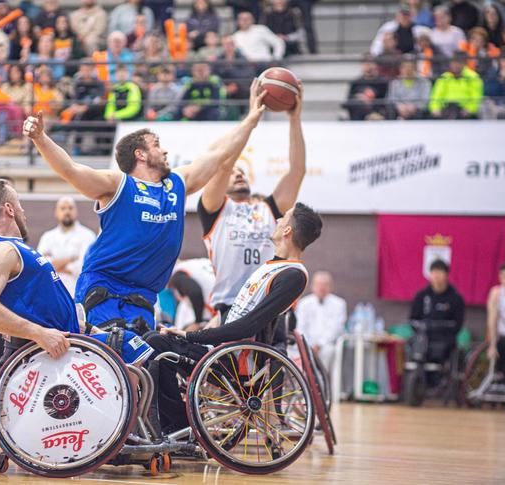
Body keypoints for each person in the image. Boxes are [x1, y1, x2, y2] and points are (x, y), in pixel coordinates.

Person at [22, 79, 268, 334]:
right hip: (105, 286)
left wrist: (251, 119)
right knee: (114, 349)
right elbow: (71, 170)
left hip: (144, 294)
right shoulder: (119, 184)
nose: (165, 151)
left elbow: (219, 153)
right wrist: (40, 139)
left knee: (146, 355)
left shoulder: (176, 184)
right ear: (140, 154)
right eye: (157, 145)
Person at [146, 202, 323, 432]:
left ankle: (179, 425)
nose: (278, 221)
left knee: (157, 344)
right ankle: (166, 423)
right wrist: (206, 325)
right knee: (151, 337)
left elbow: (248, 325)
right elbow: (237, 314)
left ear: (287, 230)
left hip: (234, 361)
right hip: (222, 349)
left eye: (283, 218)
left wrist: (191, 335)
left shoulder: (293, 275)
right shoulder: (272, 266)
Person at [0, 179, 153, 368]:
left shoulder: (16, 249)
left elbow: (45, 309)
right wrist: (38, 333)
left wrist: (89, 329)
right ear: (9, 209)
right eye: (19, 203)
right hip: (46, 355)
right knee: (135, 347)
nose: (23, 210)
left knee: (136, 344)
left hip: (72, 337)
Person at [198, 81, 305, 321]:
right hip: (230, 306)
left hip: (269, 306)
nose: (238, 174)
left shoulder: (268, 208)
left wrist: (294, 119)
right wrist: (251, 118)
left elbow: (297, 171)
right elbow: (224, 163)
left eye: (242, 172)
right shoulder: (215, 208)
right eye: (233, 172)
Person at [36, 197, 97, 297]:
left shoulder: (88, 236)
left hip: (78, 293)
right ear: (56, 212)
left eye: (70, 208)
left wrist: (54, 265)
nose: (67, 212)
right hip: (52, 294)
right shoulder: (47, 237)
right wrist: (70, 259)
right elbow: (41, 266)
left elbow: (84, 266)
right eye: (63, 208)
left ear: (76, 211)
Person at [408, 259, 466, 362]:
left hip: (445, 338)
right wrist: (425, 328)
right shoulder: (421, 296)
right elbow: (413, 320)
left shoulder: (455, 298)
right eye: (434, 272)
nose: (436, 276)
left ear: (446, 275)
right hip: (424, 337)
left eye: (439, 272)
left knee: (441, 348)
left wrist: (438, 328)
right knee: (415, 345)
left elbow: (457, 324)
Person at [295, 271, 347, 371]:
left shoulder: (339, 304)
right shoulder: (304, 303)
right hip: (307, 343)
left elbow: (336, 328)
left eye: (325, 285)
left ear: (330, 287)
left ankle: (320, 379)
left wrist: (319, 344)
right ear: (312, 286)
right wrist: (309, 344)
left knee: (328, 352)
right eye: (319, 284)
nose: (321, 288)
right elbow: (300, 326)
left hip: (327, 345)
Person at [429, 50, 483, 119]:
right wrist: (435, 109)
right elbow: (436, 96)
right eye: (453, 62)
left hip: (464, 111)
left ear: (464, 63)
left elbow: (476, 98)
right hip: (446, 110)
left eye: (459, 62)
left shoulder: (473, 77)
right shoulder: (444, 77)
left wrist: (469, 110)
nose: (455, 65)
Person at [343, 55, 390, 120]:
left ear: (375, 65)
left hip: (378, 113)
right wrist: (358, 97)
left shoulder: (382, 82)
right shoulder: (355, 83)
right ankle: (370, 115)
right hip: (359, 115)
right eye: (366, 63)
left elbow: (385, 101)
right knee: (357, 104)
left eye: (371, 63)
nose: (368, 66)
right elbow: (347, 102)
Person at [387, 54, 431, 119]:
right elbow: (391, 99)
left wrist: (415, 106)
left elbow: (425, 100)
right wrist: (399, 106)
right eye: (405, 66)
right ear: (400, 68)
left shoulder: (424, 82)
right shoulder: (395, 83)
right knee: (391, 109)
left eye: (411, 66)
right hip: (399, 112)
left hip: (417, 112)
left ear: (415, 68)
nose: (408, 69)